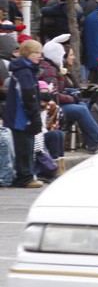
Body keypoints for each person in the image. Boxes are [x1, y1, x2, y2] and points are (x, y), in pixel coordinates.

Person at [38, 37, 98, 153]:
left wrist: (71, 95)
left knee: (83, 105)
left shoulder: (52, 68)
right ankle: (96, 141)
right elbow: (53, 94)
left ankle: (92, 142)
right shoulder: (50, 71)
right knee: (80, 110)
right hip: (51, 108)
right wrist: (72, 98)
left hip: (55, 105)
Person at [3, 39, 45, 188]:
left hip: (20, 115)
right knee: (24, 147)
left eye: (40, 53)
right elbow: (28, 95)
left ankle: (26, 175)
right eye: (36, 53)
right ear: (27, 53)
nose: (39, 56)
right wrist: (34, 115)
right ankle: (25, 177)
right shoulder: (25, 72)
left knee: (27, 145)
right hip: (20, 117)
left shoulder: (25, 70)